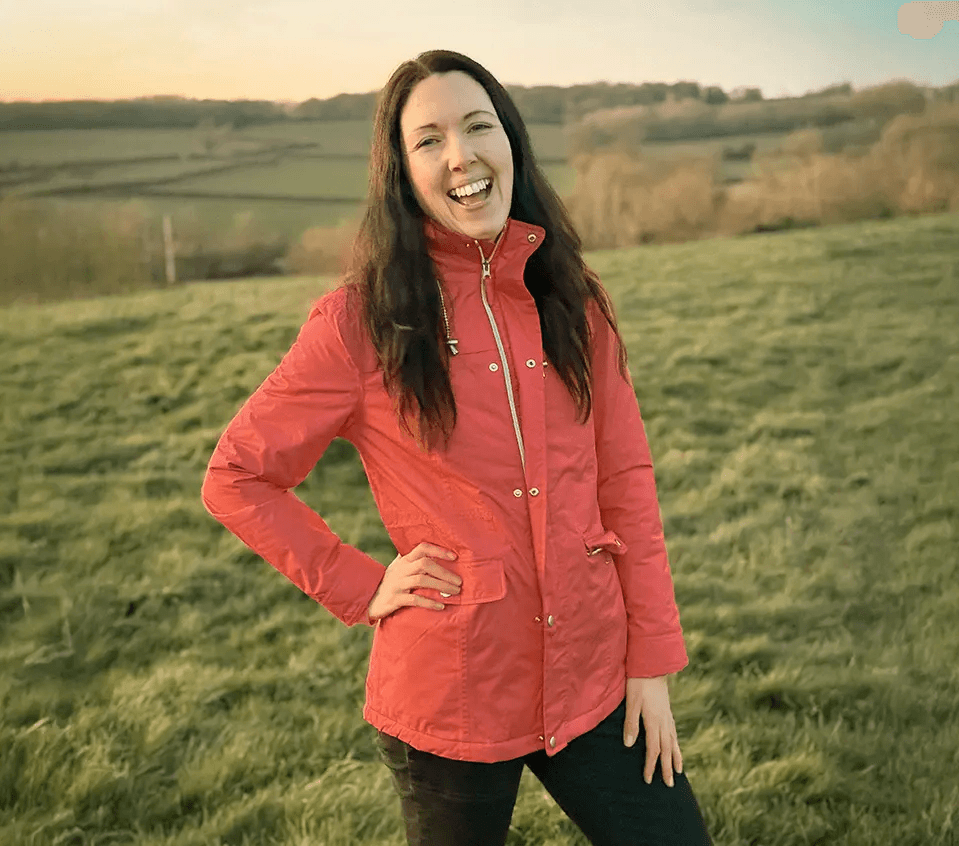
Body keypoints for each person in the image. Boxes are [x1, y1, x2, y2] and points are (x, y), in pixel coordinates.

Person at [201, 49, 713, 846]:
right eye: (428, 139)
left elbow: (627, 481)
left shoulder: (575, 301)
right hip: (451, 696)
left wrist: (649, 660)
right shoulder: (357, 322)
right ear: (401, 174)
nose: (461, 155)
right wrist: (360, 583)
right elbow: (236, 476)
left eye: (478, 126)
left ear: (511, 141)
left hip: (595, 671)